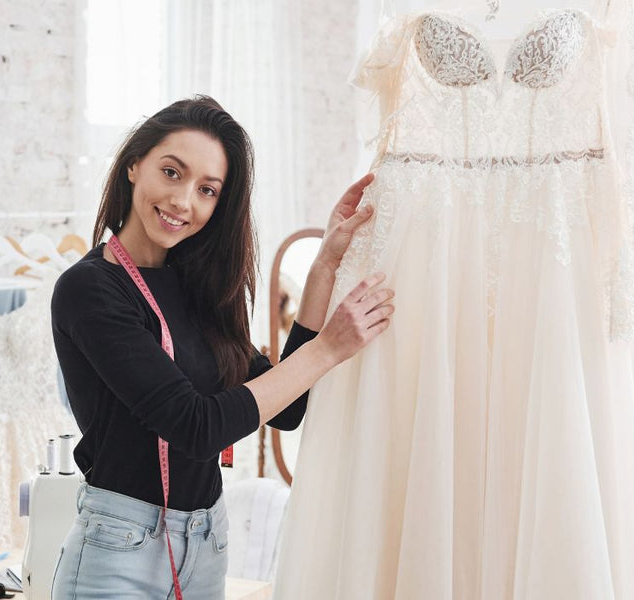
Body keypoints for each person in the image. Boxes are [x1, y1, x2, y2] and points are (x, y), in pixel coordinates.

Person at [49, 95, 394, 599]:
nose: (183, 201)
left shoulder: (198, 288)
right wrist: (330, 348)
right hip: (118, 550)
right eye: (171, 172)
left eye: (206, 189)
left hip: (208, 542)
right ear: (132, 166)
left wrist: (323, 267)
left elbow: (288, 408)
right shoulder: (90, 289)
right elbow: (196, 426)